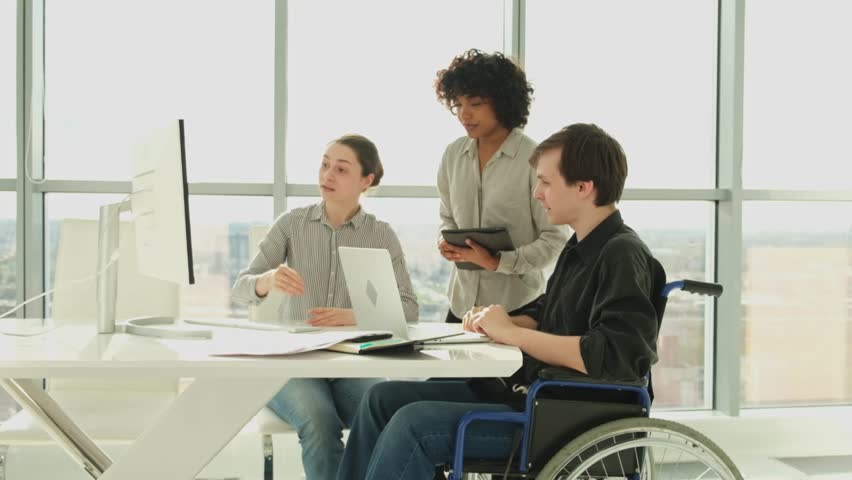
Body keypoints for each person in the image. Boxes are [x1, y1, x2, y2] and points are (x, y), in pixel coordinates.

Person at [335, 123, 665, 480]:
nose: (537, 193)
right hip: (531, 396)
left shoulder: (623, 255)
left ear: (584, 188)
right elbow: (551, 312)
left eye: (546, 182)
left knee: (412, 425)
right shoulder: (581, 247)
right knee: (380, 400)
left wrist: (512, 334)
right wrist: (498, 321)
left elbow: (612, 356)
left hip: (560, 417)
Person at [232, 134, 418, 480]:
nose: (327, 175)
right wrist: (268, 279)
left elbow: (409, 308)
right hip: (293, 364)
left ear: (367, 181)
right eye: (324, 164)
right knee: (319, 420)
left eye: (341, 169)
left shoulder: (381, 236)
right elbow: (240, 290)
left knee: (384, 413)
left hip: (352, 363)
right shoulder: (292, 224)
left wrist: (355, 316)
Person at [434, 49, 568, 325]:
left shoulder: (535, 159)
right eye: (458, 105)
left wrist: (498, 262)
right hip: (461, 306)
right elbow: (447, 217)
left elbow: (554, 238)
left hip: (517, 308)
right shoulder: (452, 155)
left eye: (475, 103)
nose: (464, 114)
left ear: (503, 102)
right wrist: (444, 241)